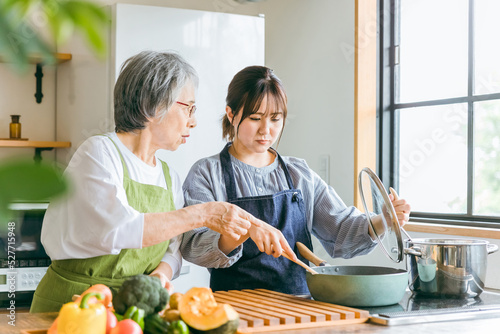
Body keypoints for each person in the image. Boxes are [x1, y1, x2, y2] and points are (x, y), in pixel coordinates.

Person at [31, 52, 295, 313]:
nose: (193, 121)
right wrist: (203, 213)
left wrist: (161, 275)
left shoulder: (169, 176)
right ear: (152, 105)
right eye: (188, 108)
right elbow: (119, 229)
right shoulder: (99, 152)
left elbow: (173, 250)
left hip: (134, 312)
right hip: (73, 306)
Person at [180, 65, 411, 295]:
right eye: (255, 118)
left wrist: (385, 220)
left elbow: (341, 231)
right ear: (231, 114)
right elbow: (193, 246)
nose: (266, 130)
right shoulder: (206, 174)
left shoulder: (298, 173)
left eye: (275, 119)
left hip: (299, 308)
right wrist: (244, 230)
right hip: (235, 312)